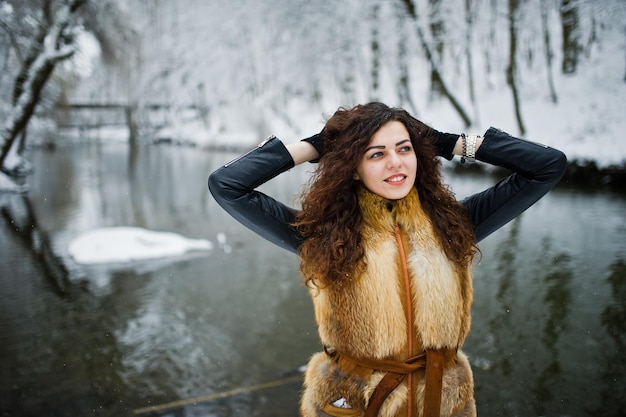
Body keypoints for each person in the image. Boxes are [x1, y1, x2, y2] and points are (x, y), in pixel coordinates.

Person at [208, 102, 567, 417]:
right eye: (376, 154)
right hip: (352, 405)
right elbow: (227, 184)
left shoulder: (455, 223)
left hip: (444, 405)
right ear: (352, 166)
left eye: (404, 148)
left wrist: (446, 142)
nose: (396, 163)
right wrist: (315, 146)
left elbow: (548, 166)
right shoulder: (321, 235)